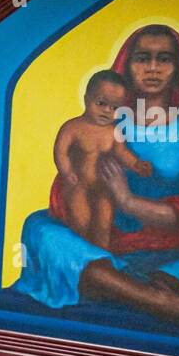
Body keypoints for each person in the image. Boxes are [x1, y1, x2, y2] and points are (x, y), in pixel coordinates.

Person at [14, 23, 179, 333]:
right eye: (142, 58)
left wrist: (128, 201)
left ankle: (138, 286)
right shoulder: (106, 115)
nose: (153, 68)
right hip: (102, 239)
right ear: (126, 64)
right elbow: (74, 180)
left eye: (164, 58)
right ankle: (158, 301)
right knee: (40, 228)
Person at [50, 69, 152, 249]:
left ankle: (102, 257)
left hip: (103, 187)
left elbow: (122, 153)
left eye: (114, 108)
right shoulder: (72, 127)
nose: (107, 111)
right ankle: (83, 257)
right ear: (86, 99)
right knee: (81, 222)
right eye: (101, 103)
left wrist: (136, 164)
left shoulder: (114, 132)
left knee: (104, 224)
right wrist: (66, 171)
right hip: (77, 184)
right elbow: (60, 151)